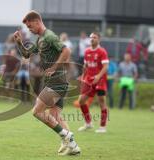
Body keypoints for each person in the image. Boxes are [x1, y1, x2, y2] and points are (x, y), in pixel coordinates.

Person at [13, 10, 80, 156]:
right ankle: (73, 146)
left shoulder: (49, 36)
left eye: (30, 26)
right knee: (55, 116)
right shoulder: (40, 39)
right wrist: (19, 43)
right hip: (55, 81)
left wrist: (54, 67)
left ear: (37, 22)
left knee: (37, 111)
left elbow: (66, 51)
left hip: (57, 81)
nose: (29, 30)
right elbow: (26, 54)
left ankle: (66, 136)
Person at [77, 32, 109, 133]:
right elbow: (85, 66)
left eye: (94, 37)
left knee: (102, 102)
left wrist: (99, 76)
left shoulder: (102, 51)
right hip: (89, 81)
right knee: (81, 101)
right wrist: (82, 77)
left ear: (99, 39)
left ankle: (102, 127)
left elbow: (105, 66)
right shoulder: (87, 51)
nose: (92, 39)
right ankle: (88, 123)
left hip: (100, 81)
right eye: (90, 37)